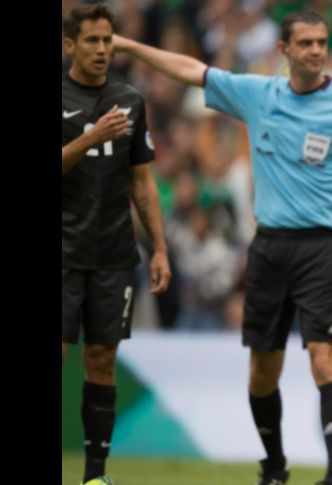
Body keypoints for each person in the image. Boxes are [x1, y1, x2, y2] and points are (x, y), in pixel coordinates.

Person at [113, 9, 332, 485]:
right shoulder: (258, 95)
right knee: (262, 372)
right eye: (306, 43)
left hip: (325, 247)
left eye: (321, 42)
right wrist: (130, 48)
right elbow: (193, 71)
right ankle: (274, 466)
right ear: (284, 51)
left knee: (324, 357)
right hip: (270, 247)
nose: (316, 50)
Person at [62, 4, 172, 485]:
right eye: (92, 41)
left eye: (108, 40)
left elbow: (143, 184)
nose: (103, 49)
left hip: (112, 255)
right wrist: (90, 138)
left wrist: (162, 248)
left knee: (102, 360)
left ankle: (94, 476)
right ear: (69, 45)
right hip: (63, 255)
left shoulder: (130, 99)